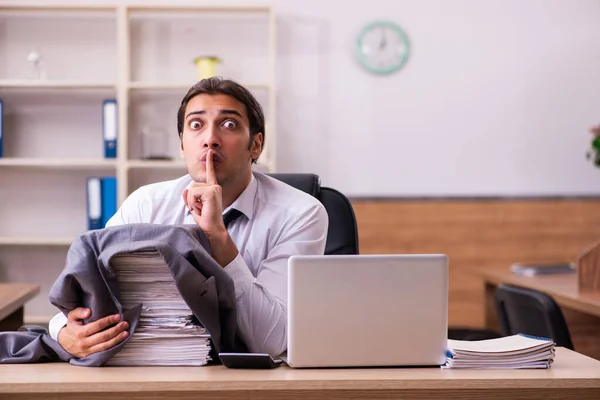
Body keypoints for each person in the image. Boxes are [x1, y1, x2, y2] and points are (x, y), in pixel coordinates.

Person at [48, 77, 329, 358]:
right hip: (154, 369)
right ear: (182, 145)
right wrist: (63, 331)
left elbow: (270, 341)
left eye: (229, 124)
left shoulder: (301, 213)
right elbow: (87, 294)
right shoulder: (146, 205)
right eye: (196, 125)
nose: (210, 139)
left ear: (255, 145)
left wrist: (217, 237)